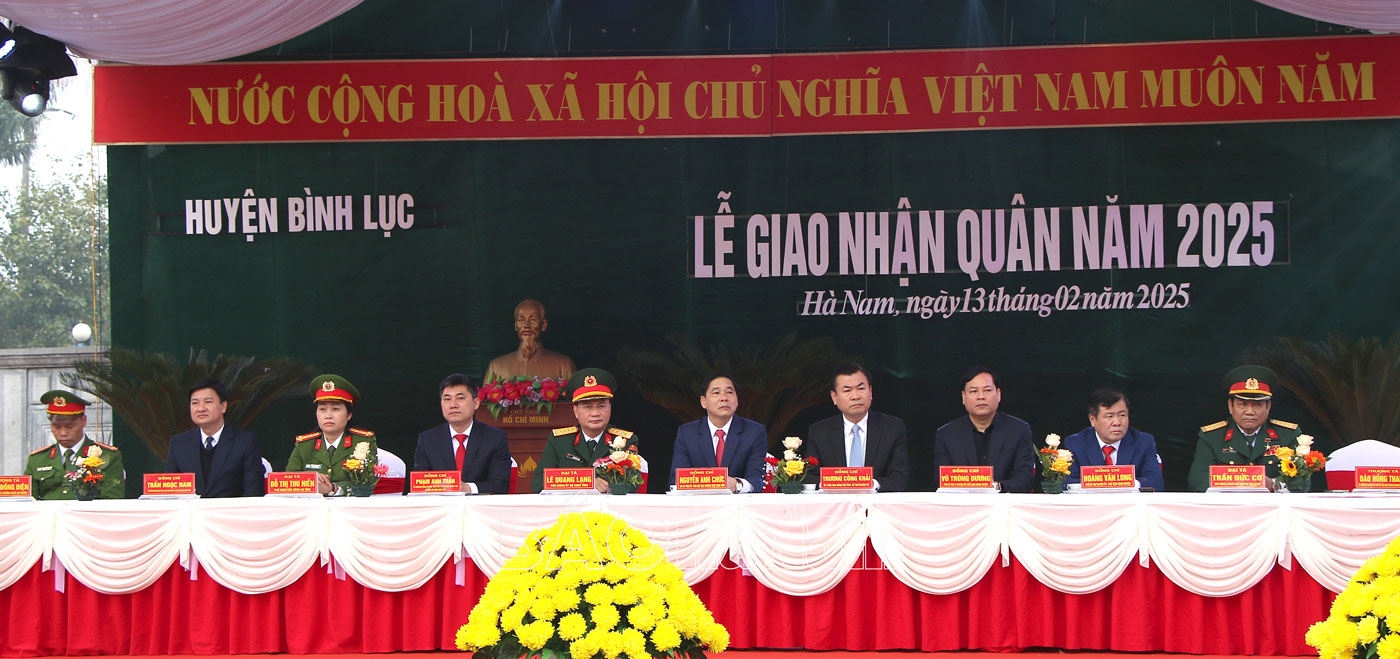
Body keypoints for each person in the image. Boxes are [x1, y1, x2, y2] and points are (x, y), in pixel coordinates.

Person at [1188, 365, 1303, 492]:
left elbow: (1302, 483)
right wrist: (1243, 483)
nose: (1249, 412)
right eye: (1242, 404)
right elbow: (1198, 481)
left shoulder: (1288, 435)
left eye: (1257, 405)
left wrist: (1274, 484)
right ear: (1230, 406)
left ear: (1268, 407)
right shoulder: (1211, 436)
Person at [805, 362, 909, 492]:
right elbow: (808, 477)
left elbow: (899, 478)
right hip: (834, 503)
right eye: (847, 390)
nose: (855, 396)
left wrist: (869, 484)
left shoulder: (892, 428)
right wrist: (836, 484)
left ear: (870, 392)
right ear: (834, 397)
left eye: (861, 388)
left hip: (876, 503)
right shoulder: (820, 432)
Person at [532, 368, 638, 493]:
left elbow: (633, 482)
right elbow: (539, 483)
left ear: (610, 407)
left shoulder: (625, 441)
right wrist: (589, 482)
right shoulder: (559, 441)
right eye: (587, 407)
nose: (595, 413)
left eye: (601, 406)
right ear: (576, 411)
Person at [934, 366, 1036, 493]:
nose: (981, 396)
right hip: (962, 503)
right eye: (973, 391)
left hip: (1004, 502)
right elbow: (941, 480)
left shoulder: (1019, 430)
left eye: (987, 390)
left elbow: (1026, 478)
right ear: (963, 397)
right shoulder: (947, 434)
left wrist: (997, 487)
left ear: (998, 394)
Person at [412, 373, 513, 493]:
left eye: (460, 398)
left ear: (476, 403)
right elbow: (419, 484)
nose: (453, 405)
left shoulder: (495, 438)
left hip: (479, 504)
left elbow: (501, 484)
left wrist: (468, 488)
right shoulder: (428, 440)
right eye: (447, 399)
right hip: (441, 504)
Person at [165, 378, 265, 497]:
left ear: (223, 406)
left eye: (208, 402)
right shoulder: (178, 444)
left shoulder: (245, 442)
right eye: (195, 403)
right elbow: (169, 492)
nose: (201, 408)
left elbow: (253, 492)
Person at [670, 373, 766, 493]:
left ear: (737, 399)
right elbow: (676, 479)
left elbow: (757, 480)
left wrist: (737, 485)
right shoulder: (687, 433)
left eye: (729, 392)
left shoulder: (754, 432)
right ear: (703, 401)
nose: (724, 398)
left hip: (739, 503)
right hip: (698, 502)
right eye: (716, 393)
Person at [286, 374, 379, 495]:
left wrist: (333, 489)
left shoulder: (363, 442)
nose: (328, 415)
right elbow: (288, 480)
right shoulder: (304, 445)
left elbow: (368, 483)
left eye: (335, 409)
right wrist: (310, 480)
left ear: (349, 415)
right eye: (322, 409)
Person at [24, 390, 124, 499]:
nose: (63, 433)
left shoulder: (107, 456)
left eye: (70, 426)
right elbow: (26, 500)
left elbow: (112, 501)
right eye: (56, 427)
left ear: (83, 421)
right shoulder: (37, 460)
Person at [1064, 388, 1165, 492]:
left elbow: (1156, 482)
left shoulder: (1143, 442)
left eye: (1122, 415)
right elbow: (1067, 483)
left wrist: (1124, 484)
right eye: (1109, 416)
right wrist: (1115, 483)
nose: (1117, 422)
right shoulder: (1075, 444)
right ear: (1093, 419)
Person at [485, 299, 577, 380]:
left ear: (543, 324)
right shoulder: (496, 367)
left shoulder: (563, 365)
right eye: (521, 320)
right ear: (516, 326)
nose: (526, 325)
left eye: (533, 320)